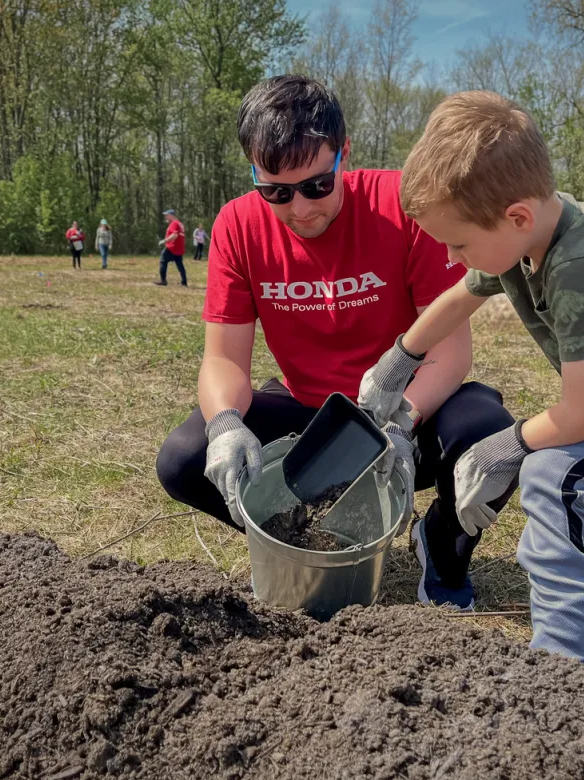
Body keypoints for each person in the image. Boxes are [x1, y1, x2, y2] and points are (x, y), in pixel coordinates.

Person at [358, 91, 584, 680]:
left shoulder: (582, 264)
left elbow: (581, 415)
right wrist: (398, 361)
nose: (453, 259)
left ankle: (561, 671)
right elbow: (458, 299)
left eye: (457, 243)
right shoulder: (515, 238)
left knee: (551, 476)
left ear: (517, 217)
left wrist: (502, 446)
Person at [155, 75, 517, 610]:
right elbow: (222, 359)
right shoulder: (236, 225)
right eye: (276, 191)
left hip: (399, 412)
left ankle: (441, 545)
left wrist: (402, 420)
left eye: (317, 185)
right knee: (185, 457)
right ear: (253, 172)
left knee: (488, 435)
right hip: (311, 420)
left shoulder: (403, 206)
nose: (299, 209)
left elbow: (449, 351)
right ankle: (297, 541)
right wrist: (226, 424)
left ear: (344, 153)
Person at [157, 209, 187, 286]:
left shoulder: (174, 223)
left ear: (171, 215)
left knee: (163, 261)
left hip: (172, 248)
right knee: (180, 264)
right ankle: (184, 282)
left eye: (167, 215)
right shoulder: (180, 223)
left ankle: (163, 280)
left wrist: (165, 241)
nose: (166, 217)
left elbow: (175, 235)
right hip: (179, 249)